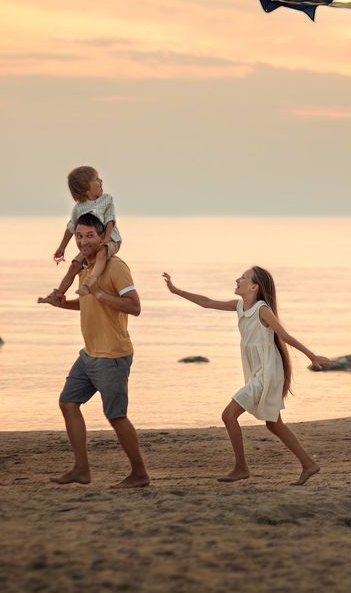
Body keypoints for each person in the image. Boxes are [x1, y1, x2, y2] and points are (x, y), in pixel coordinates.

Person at [162, 267, 333, 485]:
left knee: (228, 416)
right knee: (273, 424)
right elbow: (207, 302)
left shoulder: (262, 310)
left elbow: (284, 336)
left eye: (243, 277)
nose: (237, 279)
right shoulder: (240, 306)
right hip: (257, 372)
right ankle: (309, 464)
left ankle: (241, 467)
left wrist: (312, 355)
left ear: (254, 287)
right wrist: (176, 290)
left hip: (267, 372)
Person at [40, 213, 149, 488]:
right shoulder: (84, 267)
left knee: (116, 416)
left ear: (102, 237)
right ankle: (81, 469)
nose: (83, 241)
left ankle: (139, 473)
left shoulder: (114, 266)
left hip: (112, 355)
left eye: (89, 236)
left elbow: (134, 307)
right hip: (89, 354)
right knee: (68, 403)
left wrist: (99, 293)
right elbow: (88, 305)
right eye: (79, 235)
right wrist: (60, 304)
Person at [39, 166, 122, 303]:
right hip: (91, 244)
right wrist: (62, 248)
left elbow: (110, 221)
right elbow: (71, 227)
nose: (101, 181)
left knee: (101, 253)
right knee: (74, 266)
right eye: (96, 179)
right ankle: (58, 294)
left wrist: (106, 240)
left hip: (111, 240)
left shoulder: (107, 200)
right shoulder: (79, 208)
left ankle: (87, 285)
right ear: (86, 187)